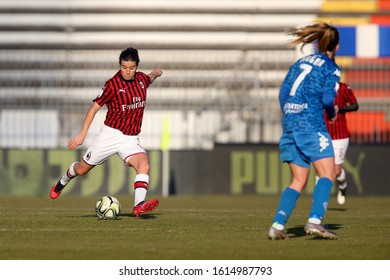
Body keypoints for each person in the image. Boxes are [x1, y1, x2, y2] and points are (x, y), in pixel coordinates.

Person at [50, 47, 163, 217]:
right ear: (119, 65)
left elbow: (149, 79)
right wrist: (82, 135)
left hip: (130, 139)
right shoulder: (112, 85)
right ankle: (62, 181)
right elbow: (94, 108)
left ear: (137, 67)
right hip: (110, 135)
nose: (127, 71)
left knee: (144, 165)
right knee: (82, 170)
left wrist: (155, 73)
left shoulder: (141, 80)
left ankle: (138, 205)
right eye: (124, 67)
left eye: (131, 68)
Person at [267, 22, 341, 240]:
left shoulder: (300, 63)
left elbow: (283, 94)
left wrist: (290, 116)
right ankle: (315, 221)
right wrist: (332, 111)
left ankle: (277, 225)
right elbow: (328, 99)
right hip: (311, 123)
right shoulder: (331, 68)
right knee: (327, 173)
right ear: (335, 47)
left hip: (290, 123)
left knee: (299, 180)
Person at [324, 82, 359, 205]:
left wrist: (340, 109)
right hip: (323, 134)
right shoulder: (319, 87)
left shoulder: (343, 88)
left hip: (340, 135)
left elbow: (355, 105)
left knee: (337, 170)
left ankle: (342, 186)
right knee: (322, 167)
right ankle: (321, 199)